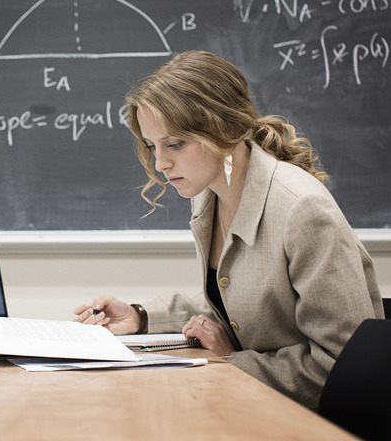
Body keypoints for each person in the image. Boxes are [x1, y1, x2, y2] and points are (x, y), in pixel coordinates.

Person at [73, 50, 384, 410]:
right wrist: (141, 317)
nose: (160, 163)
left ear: (223, 128)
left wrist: (233, 361)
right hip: (253, 407)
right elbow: (238, 301)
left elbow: (343, 367)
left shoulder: (302, 210)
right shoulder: (210, 194)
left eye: (175, 144)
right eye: (151, 145)